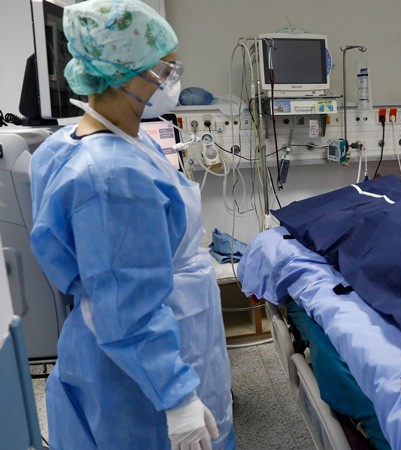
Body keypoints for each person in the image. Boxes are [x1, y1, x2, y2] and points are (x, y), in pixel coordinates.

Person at [28, 1, 234, 449]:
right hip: (142, 367)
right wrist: (177, 397)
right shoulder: (111, 177)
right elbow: (126, 303)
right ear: (121, 74)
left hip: (130, 341)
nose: (170, 79)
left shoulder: (80, 143)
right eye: (162, 69)